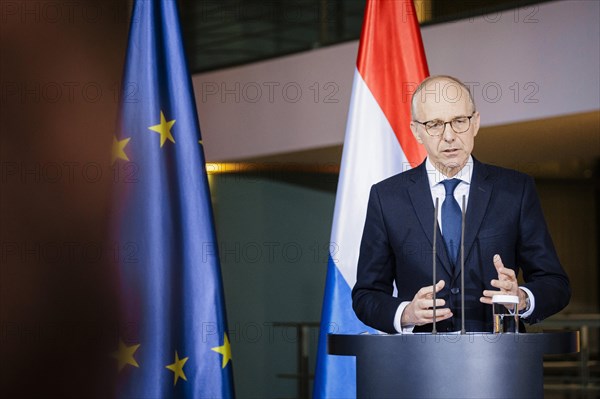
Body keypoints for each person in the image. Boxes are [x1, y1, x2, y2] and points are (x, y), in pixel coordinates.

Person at [351, 75, 570, 333]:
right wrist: (407, 313)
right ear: (416, 131)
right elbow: (366, 295)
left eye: (459, 121)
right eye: (434, 124)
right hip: (419, 362)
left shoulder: (515, 190)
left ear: (475, 122)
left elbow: (555, 283)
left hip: (500, 360)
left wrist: (521, 298)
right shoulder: (387, 197)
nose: (449, 136)